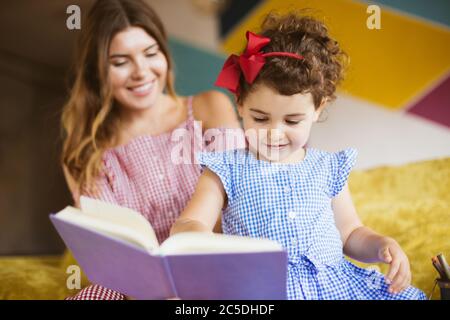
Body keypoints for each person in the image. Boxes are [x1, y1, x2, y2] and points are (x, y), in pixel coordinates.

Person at [170, 12, 427, 300]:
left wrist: (382, 245)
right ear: (240, 104)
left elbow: (351, 233)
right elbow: (188, 223)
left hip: (335, 288)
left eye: (291, 121)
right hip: (261, 290)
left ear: (318, 108)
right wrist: (198, 237)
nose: (274, 133)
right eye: (260, 118)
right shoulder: (225, 168)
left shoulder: (327, 167)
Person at [61, 0, 240, 300]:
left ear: (165, 54)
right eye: (120, 61)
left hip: (215, 264)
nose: (141, 71)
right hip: (135, 287)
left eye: (150, 53)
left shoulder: (210, 106)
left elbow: (241, 199)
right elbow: (105, 261)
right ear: (97, 71)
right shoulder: (82, 152)